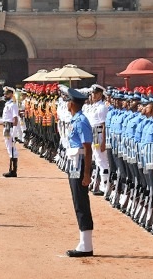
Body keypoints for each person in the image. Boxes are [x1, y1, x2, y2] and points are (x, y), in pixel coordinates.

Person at [61, 86, 95, 258]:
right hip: (74, 164)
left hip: (80, 165)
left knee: (81, 202)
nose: (66, 103)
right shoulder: (75, 119)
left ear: (73, 104)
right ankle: (84, 242)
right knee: (77, 201)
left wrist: (87, 173)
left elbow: (88, 148)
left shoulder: (81, 121)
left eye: (68, 101)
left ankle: (86, 244)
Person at [0, 86, 20, 177]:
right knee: (9, 147)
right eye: (4, 93)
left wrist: (15, 131)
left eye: (7, 93)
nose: (5, 95)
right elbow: (7, 118)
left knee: (12, 149)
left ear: (11, 94)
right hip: (7, 127)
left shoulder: (13, 105)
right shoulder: (8, 104)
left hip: (10, 128)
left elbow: (15, 118)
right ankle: (11, 170)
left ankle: (13, 171)